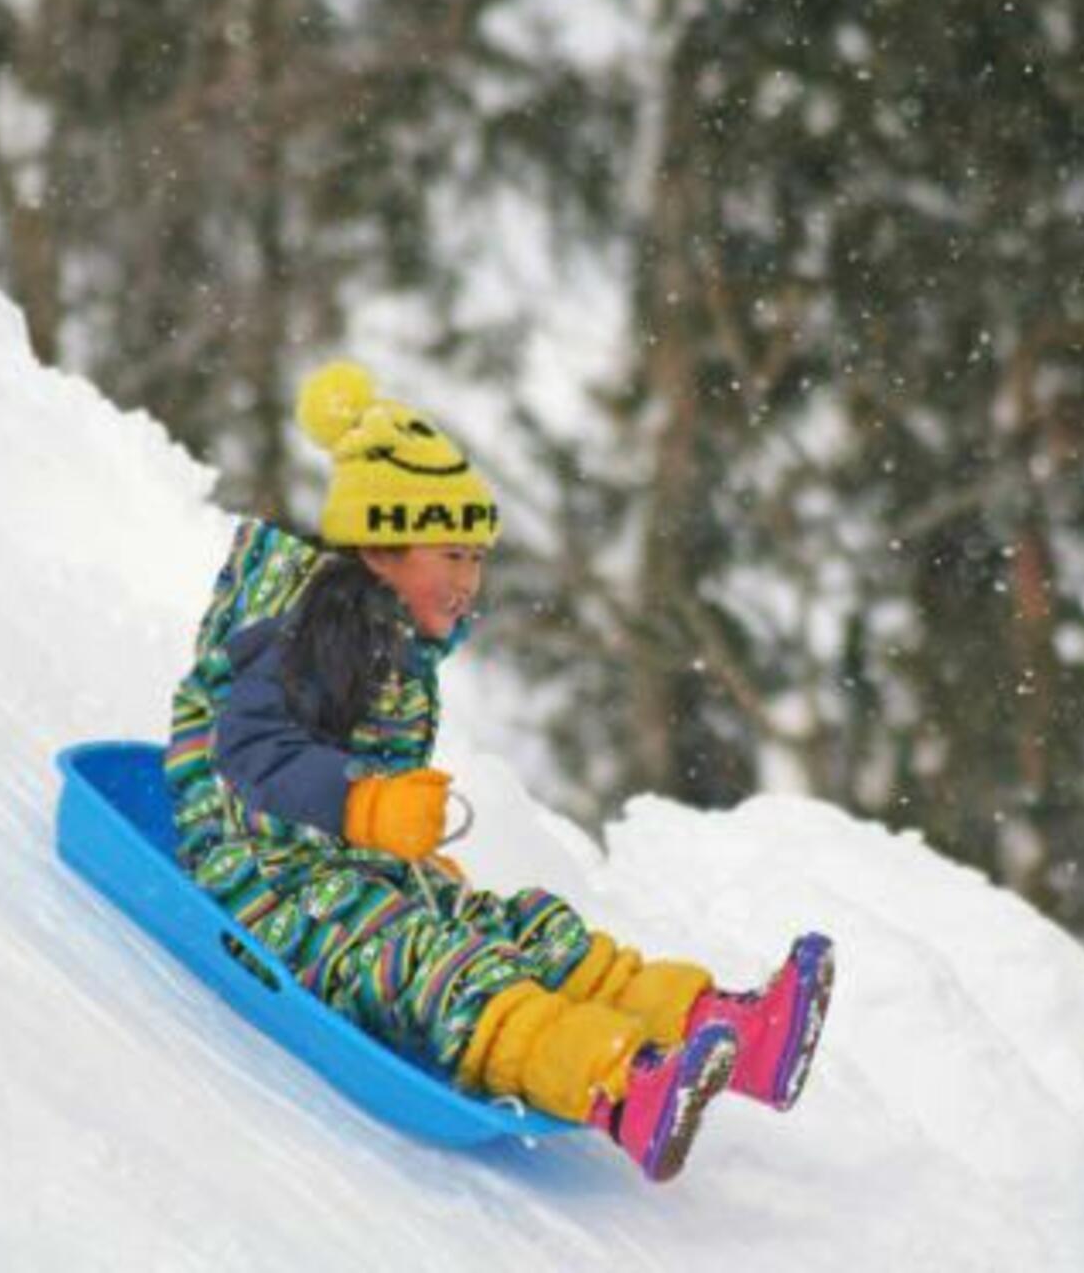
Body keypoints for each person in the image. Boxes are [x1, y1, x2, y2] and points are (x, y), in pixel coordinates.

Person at [164, 360, 833, 1182]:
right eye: (451, 552)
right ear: (379, 545)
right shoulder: (305, 632)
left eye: (477, 558)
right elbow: (251, 750)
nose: (469, 580)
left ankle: (727, 1028)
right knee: (436, 962)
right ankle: (619, 1086)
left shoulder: (392, 646)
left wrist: (385, 838)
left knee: (522, 926)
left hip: (344, 870)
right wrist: (365, 805)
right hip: (264, 881)